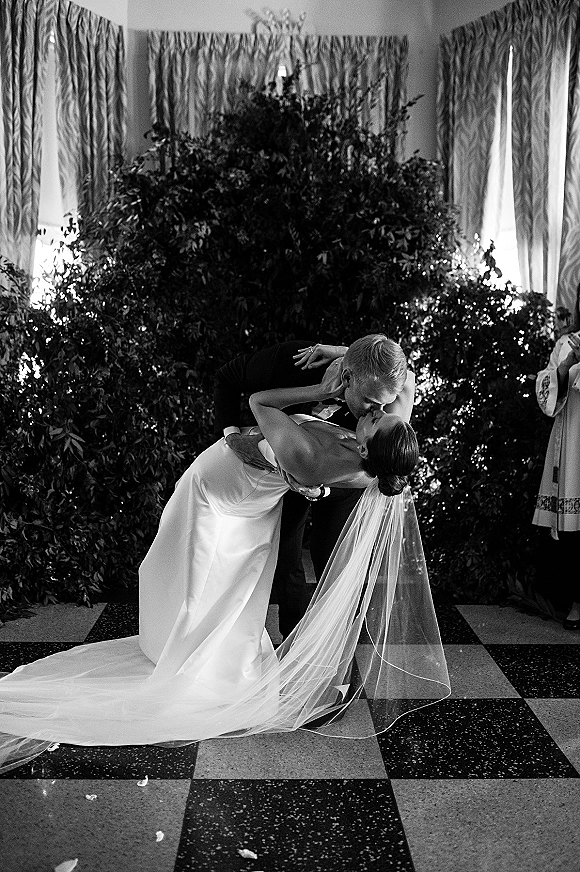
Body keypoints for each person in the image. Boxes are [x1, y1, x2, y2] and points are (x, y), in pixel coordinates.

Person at [0, 366, 448, 773]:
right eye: (381, 408)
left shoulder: (320, 459)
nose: (377, 410)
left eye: (375, 417)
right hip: (251, 507)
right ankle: (193, 650)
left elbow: (259, 404)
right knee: (223, 583)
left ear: (369, 445)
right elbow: (403, 378)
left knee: (199, 582)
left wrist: (319, 390)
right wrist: (345, 357)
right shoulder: (388, 440)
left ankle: (192, 664)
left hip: (222, 500)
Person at [213, 335, 415, 638]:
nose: (378, 412)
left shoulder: (381, 404)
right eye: (372, 402)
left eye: (384, 405)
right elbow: (227, 377)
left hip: (342, 478)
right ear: (347, 377)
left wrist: (343, 351)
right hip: (291, 474)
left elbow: (407, 379)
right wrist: (231, 436)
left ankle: (334, 644)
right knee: (285, 559)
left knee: (335, 563)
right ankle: (292, 640)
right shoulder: (290, 361)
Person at [533, 282, 580, 630]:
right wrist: (564, 368)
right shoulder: (569, 343)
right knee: (575, 529)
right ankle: (577, 601)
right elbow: (547, 399)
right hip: (573, 440)